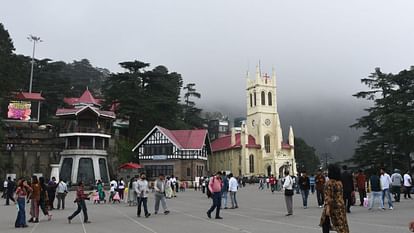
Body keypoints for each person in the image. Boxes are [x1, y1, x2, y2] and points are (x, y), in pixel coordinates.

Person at [320, 164, 349, 233]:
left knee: (327, 223)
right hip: (341, 205)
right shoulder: (339, 182)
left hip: (332, 206)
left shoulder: (329, 183)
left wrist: (327, 208)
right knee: (342, 224)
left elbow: (328, 197)